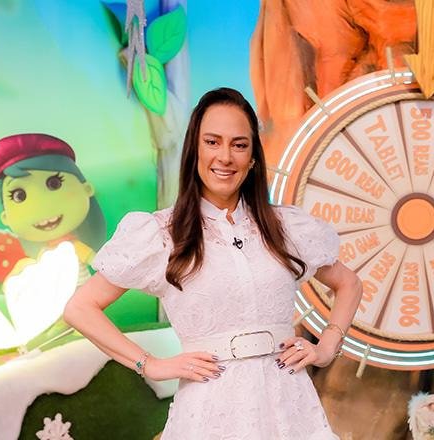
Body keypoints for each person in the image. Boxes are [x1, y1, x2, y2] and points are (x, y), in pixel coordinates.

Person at [63, 87, 362, 439]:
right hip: (210, 409)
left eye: (239, 145)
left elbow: (349, 283)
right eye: (212, 142)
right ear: (195, 150)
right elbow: (80, 308)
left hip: (290, 405)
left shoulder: (285, 227)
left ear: (253, 158)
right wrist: (150, 365)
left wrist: (327, 347)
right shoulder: (161, 233)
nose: (225, 157)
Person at [0, 133, 107, 285]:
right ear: (5, 217)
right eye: (19, 196)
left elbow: (99, 264)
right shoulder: (42, 254)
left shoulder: (74, 248)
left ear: (87, 189)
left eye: (54, 184)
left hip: (81, 289)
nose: (39, 205)